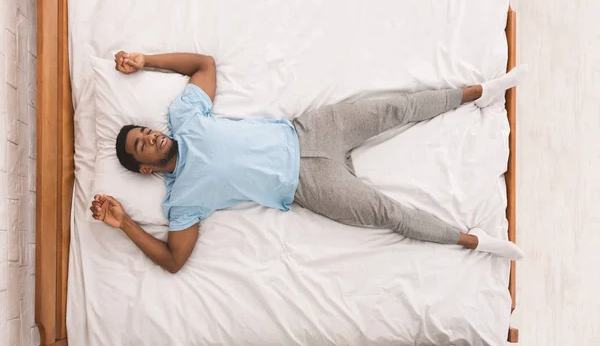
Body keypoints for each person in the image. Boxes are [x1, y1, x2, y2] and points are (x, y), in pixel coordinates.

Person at [90, 51, 526, 273]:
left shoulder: (184, 117)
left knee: (396, 108)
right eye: (144, 146)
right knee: (388, 215)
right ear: (146, 168)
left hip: (309, 131)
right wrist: (126, 222)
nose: (154, 137)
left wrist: (147, 61)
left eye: (147, 132)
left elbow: (203, 64)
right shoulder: (181, 201)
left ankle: (480, 93)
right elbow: (173, 260)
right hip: (306, 185)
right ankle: (473, 241)